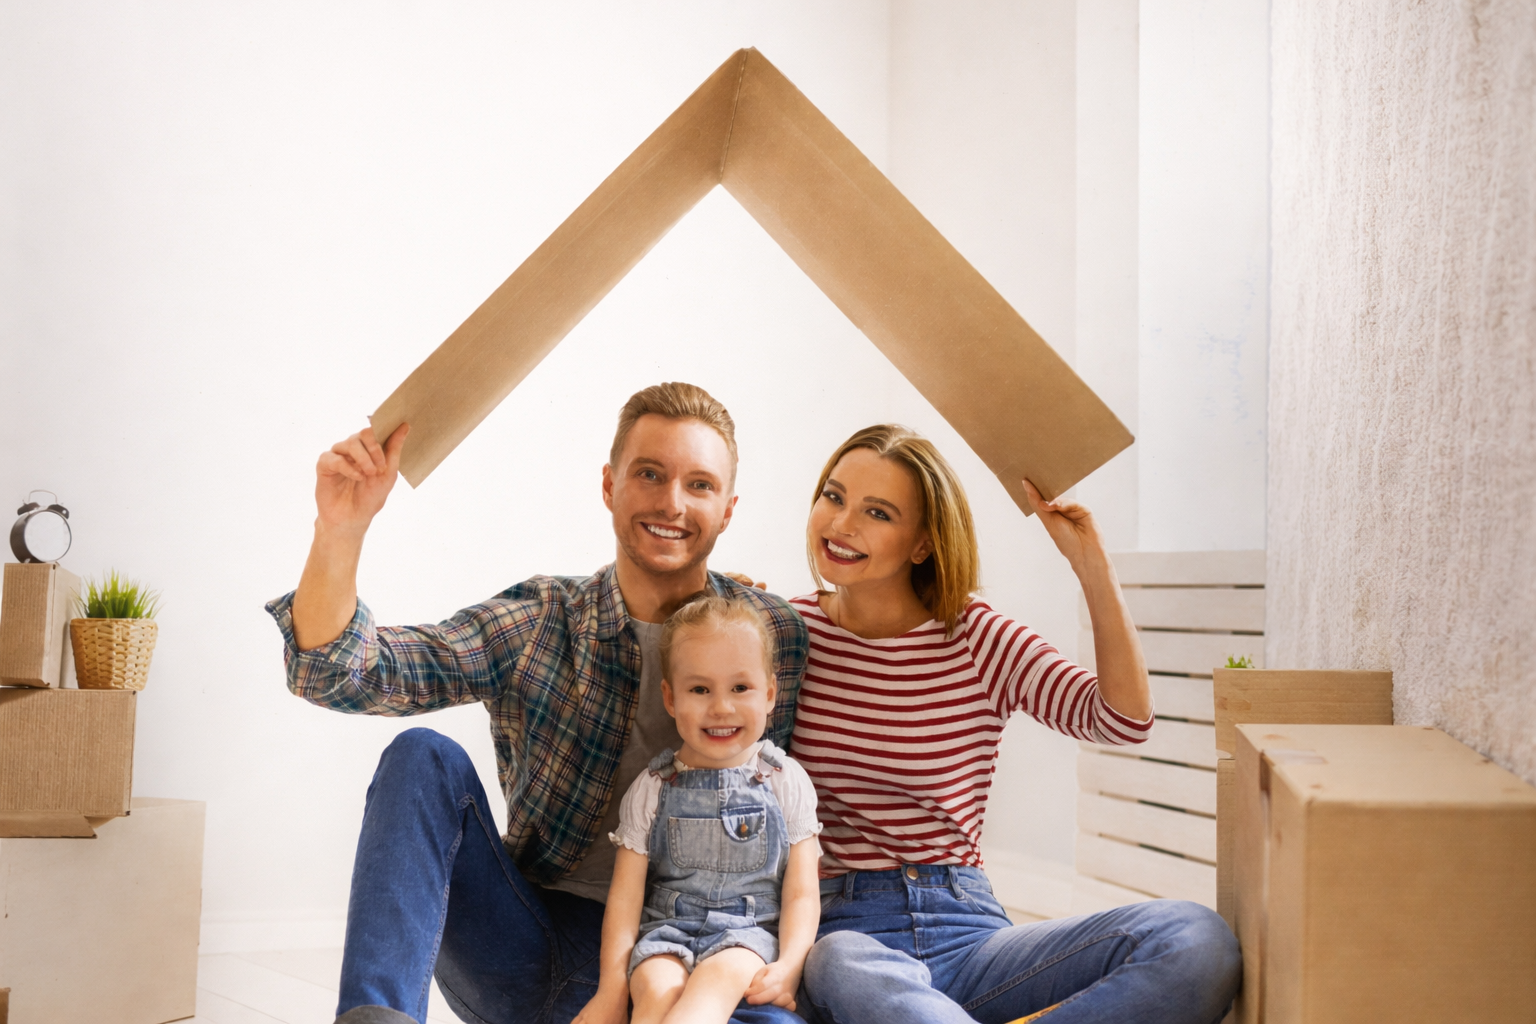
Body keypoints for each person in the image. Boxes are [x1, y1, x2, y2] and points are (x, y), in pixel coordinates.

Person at [265, 383, 808, 1024]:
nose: (672, 502)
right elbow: (341, 673)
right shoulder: (543, 619)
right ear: (609, 485)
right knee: (422, 758)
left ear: (728, 508)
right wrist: (341, 529)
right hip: (526, 946)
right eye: (650, 474)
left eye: (699, 485)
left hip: (697, 964)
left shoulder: (773, 634)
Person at [788, 425, 1241, 1024]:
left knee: (1195, 939)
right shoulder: (783, 632)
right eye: (834, 495)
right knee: (839, 959)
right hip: (842, 933)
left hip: (966, 930)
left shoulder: (975, 636)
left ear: (922, 544)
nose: (842, 523)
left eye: (877, 512)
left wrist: (1091, 566)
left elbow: (1122, 720)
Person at [575, 594, 822, 1024]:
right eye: (700, 689)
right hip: (666, 930)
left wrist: (791, 965)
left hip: (747, 936)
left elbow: (801, 893)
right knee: (655, 989)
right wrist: (610, 992)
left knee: (714, 984)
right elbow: (626, 896)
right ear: (670, 699)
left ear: (769, 693)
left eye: (740, 688)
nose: (721, 707)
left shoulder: (784, 779)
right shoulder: (653, 786)